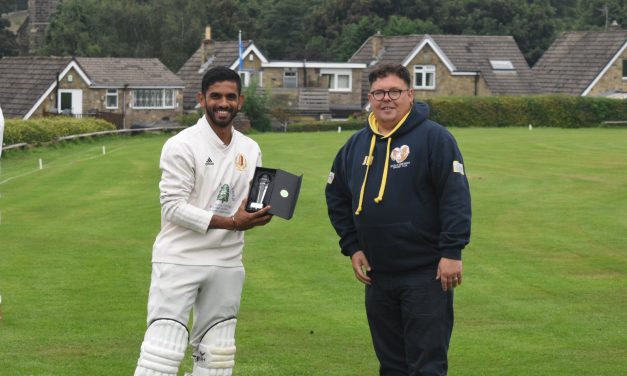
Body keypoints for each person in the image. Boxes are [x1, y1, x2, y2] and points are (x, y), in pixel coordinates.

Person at [325, 63, 471, 376]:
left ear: (410, 94)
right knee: (391, 365)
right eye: (379, 92)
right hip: (378, 276)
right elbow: (335, 195)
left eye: (394, 91)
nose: (386, 99)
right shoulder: (356, 144)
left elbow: (455, 197)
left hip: (426, 274)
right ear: (370, 97)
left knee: (426, 366)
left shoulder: (435, 139)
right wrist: (352, 246)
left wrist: (451, 252)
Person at [134, 66, 272, 376]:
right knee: (163, 350)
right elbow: (172, 207)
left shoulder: (250, 148)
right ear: (201, 99)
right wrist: (232, 222)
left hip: (227, 261)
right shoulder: (182, 144)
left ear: (240, 100)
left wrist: (259, 214)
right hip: (180, 259)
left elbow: (248, 203)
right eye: (216, 97)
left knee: (217, 355)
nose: (223, 104)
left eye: (230, 97)